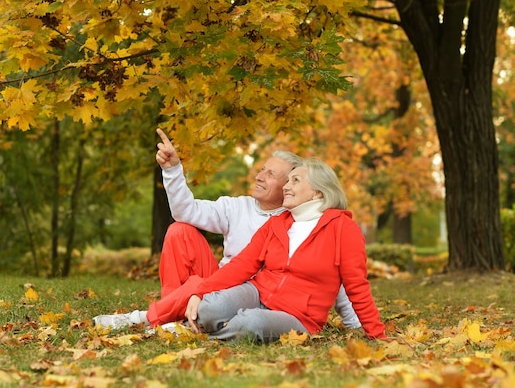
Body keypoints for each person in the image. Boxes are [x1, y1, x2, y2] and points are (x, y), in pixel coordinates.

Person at [92, 129, 361, 330]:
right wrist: (173, 170)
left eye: (270, 175)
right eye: (261, 169)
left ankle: (143, 318)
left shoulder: (296, 223)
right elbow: (186, 211)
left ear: (289, 186)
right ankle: (174, 313)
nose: (259, 176)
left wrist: (354, 323)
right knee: (180, 230)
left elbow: (328, 272)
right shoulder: (237, 207)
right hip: (221, 283)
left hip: (253, 296)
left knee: (200, 285)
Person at [183, 157, 386, 343]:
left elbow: (356, 285)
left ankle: (210, 338)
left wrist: (376, 333)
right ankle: (217, 328)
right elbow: (242, 264)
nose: (286, 187)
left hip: (299, 316)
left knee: (252, 322)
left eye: (295, 180)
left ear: (318, 191)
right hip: (258, 294)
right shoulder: (277, 223)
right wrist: (201, 292)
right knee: (210, 308)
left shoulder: (343, 228)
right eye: (287, 181)